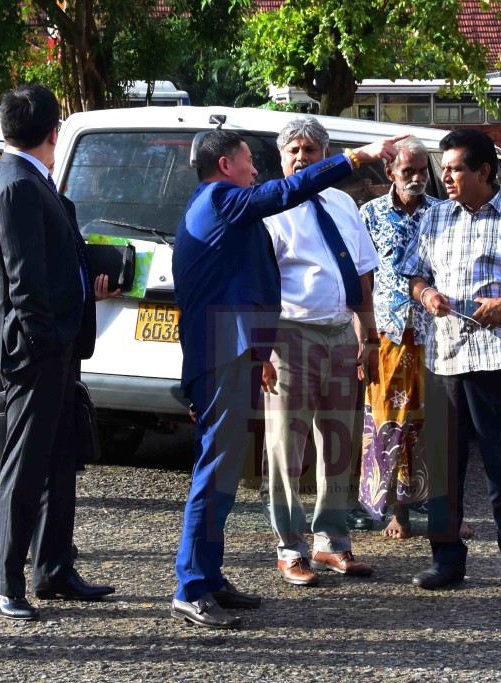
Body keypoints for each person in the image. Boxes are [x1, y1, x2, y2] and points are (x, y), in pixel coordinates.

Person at [172, 126, 401, 628]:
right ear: (226, 165)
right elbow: (285, 192)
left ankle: (208, 577)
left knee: (226, 474)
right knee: (214, 474)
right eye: (249, 160)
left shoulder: (227, 205)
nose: (256, 169)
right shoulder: (218, 200)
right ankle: (190, 586)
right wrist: (356, 156)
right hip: (221, 358)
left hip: (238, 353)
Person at [402, 128, 501, 595]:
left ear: (484, 171)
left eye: (454, 169)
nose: (444, 177)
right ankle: (447, 561)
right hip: (444, 358)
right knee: (443, 466)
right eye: (442, 169)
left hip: (496, 359)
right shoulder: (434, 219)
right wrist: (426, 293)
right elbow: (414, 274)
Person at [0, 84, 113, 623]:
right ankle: (4, 579)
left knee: (61, 460)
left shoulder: (31, 180)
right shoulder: (15, 184)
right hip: (34, 352)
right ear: (53, 133)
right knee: (24, 463)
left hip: (54, 347)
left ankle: (54, 567)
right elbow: (21, 279)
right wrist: (46, 341)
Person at [262, 117, 382, 588]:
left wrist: (368, 337)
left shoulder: (343, 203)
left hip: (341, 334)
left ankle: (331, 542)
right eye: (293, 149)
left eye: (311, 150)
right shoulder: (271, 207)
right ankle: (290, 548)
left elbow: (364, 277)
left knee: (338, 442)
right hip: (290, 336)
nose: (301, 157)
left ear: (326, 156)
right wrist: (263, 349)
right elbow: (262, 283)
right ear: (281, 156)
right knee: (286, 448)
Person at [356, 135, 474, 541]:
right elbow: (362, 279)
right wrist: (363, 337)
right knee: (392, 425)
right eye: (409, 171)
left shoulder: (445, 213)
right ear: (390, 173)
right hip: (389, 334)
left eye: (424, 171)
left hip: (437, 335)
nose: (418, 178)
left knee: (441, 424)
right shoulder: (368, 214)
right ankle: (398, 514)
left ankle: (451, 515)